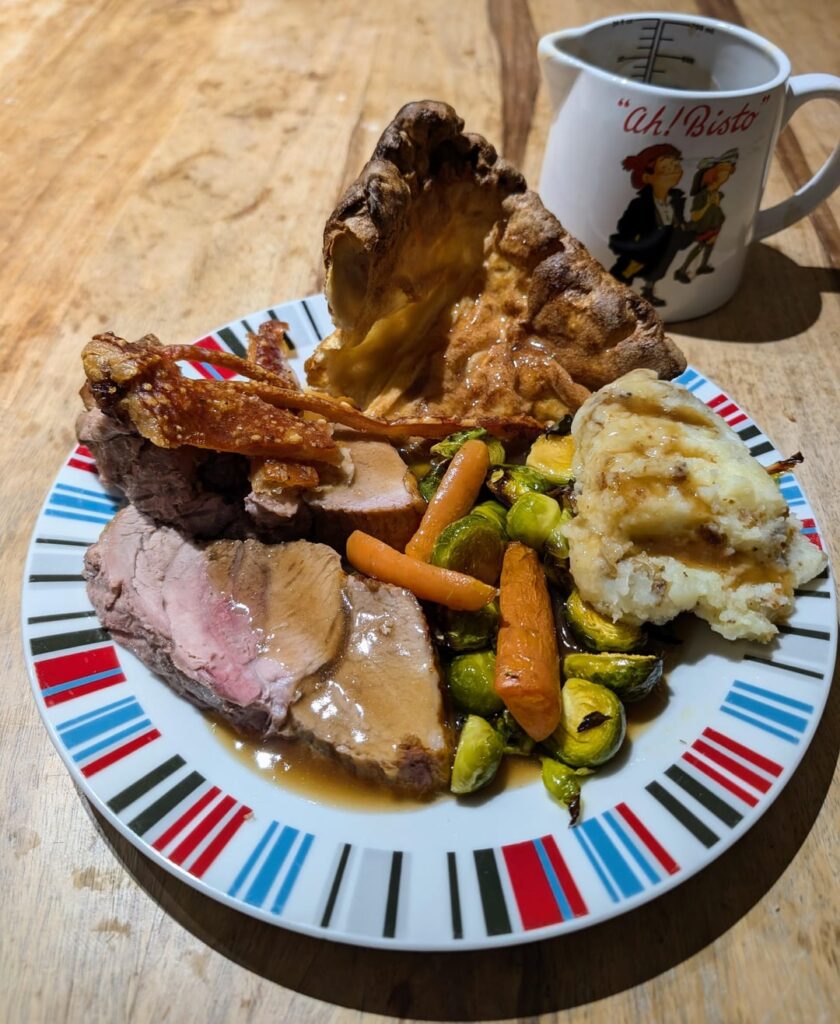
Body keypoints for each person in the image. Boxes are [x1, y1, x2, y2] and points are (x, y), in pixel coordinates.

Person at [609, 144, 686, 307]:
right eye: (665, 168)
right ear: (647, 177)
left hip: (665, 245)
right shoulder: (640, 204)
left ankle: (648, 292)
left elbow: (679, 220)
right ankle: (612, 297)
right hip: (642, 249)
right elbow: (626, 226)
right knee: (627, 271)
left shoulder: (677, 201)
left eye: (676, 166)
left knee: (658, 270)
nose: (673, 170)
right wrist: (634, 244)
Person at [674, 149, 738, 283]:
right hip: (701, 226)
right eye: (722, 170)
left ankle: (702, 265)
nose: (726, 174)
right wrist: (709, 204)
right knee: (700, 246)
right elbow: (695, 216)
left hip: (714, 224)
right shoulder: (702, 196)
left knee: (710, 246)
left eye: (728, 170)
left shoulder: (717, 194)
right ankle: (682, 270)